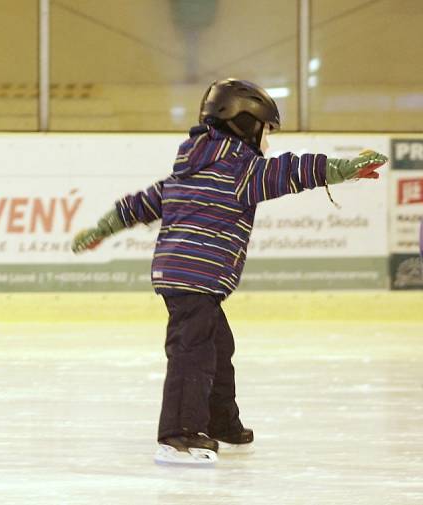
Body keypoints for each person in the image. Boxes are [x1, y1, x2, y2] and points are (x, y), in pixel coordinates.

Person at [71, 78, 388, 466]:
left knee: (218, 347)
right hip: (196, 280)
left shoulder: (185, 172)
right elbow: (292, 170)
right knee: (193, 353)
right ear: (246, 125)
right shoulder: (241, 171)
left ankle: (222, 423)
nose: (267, 143)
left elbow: (137, 205)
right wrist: (342, 168)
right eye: (265, 132)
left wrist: (101, 230)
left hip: (183, 277)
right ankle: (179, 437)